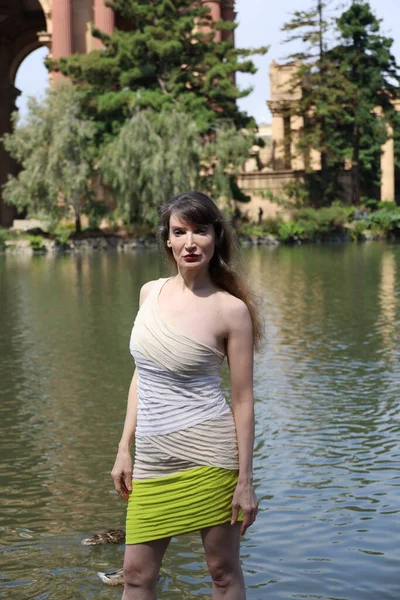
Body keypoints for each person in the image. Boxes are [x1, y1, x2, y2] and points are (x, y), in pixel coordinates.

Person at [111, 191, 263, 600]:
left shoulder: (231, 310)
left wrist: (245, 481)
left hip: (212, 455)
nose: (190, 241)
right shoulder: (150, 293)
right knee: (135, 576)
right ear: (167, 240)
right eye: (180, 232)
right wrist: (125, 446)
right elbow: (143, 374)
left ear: (217, 237)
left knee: (222, 572)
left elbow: (244, 398)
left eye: (201, 230)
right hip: (152, 456)